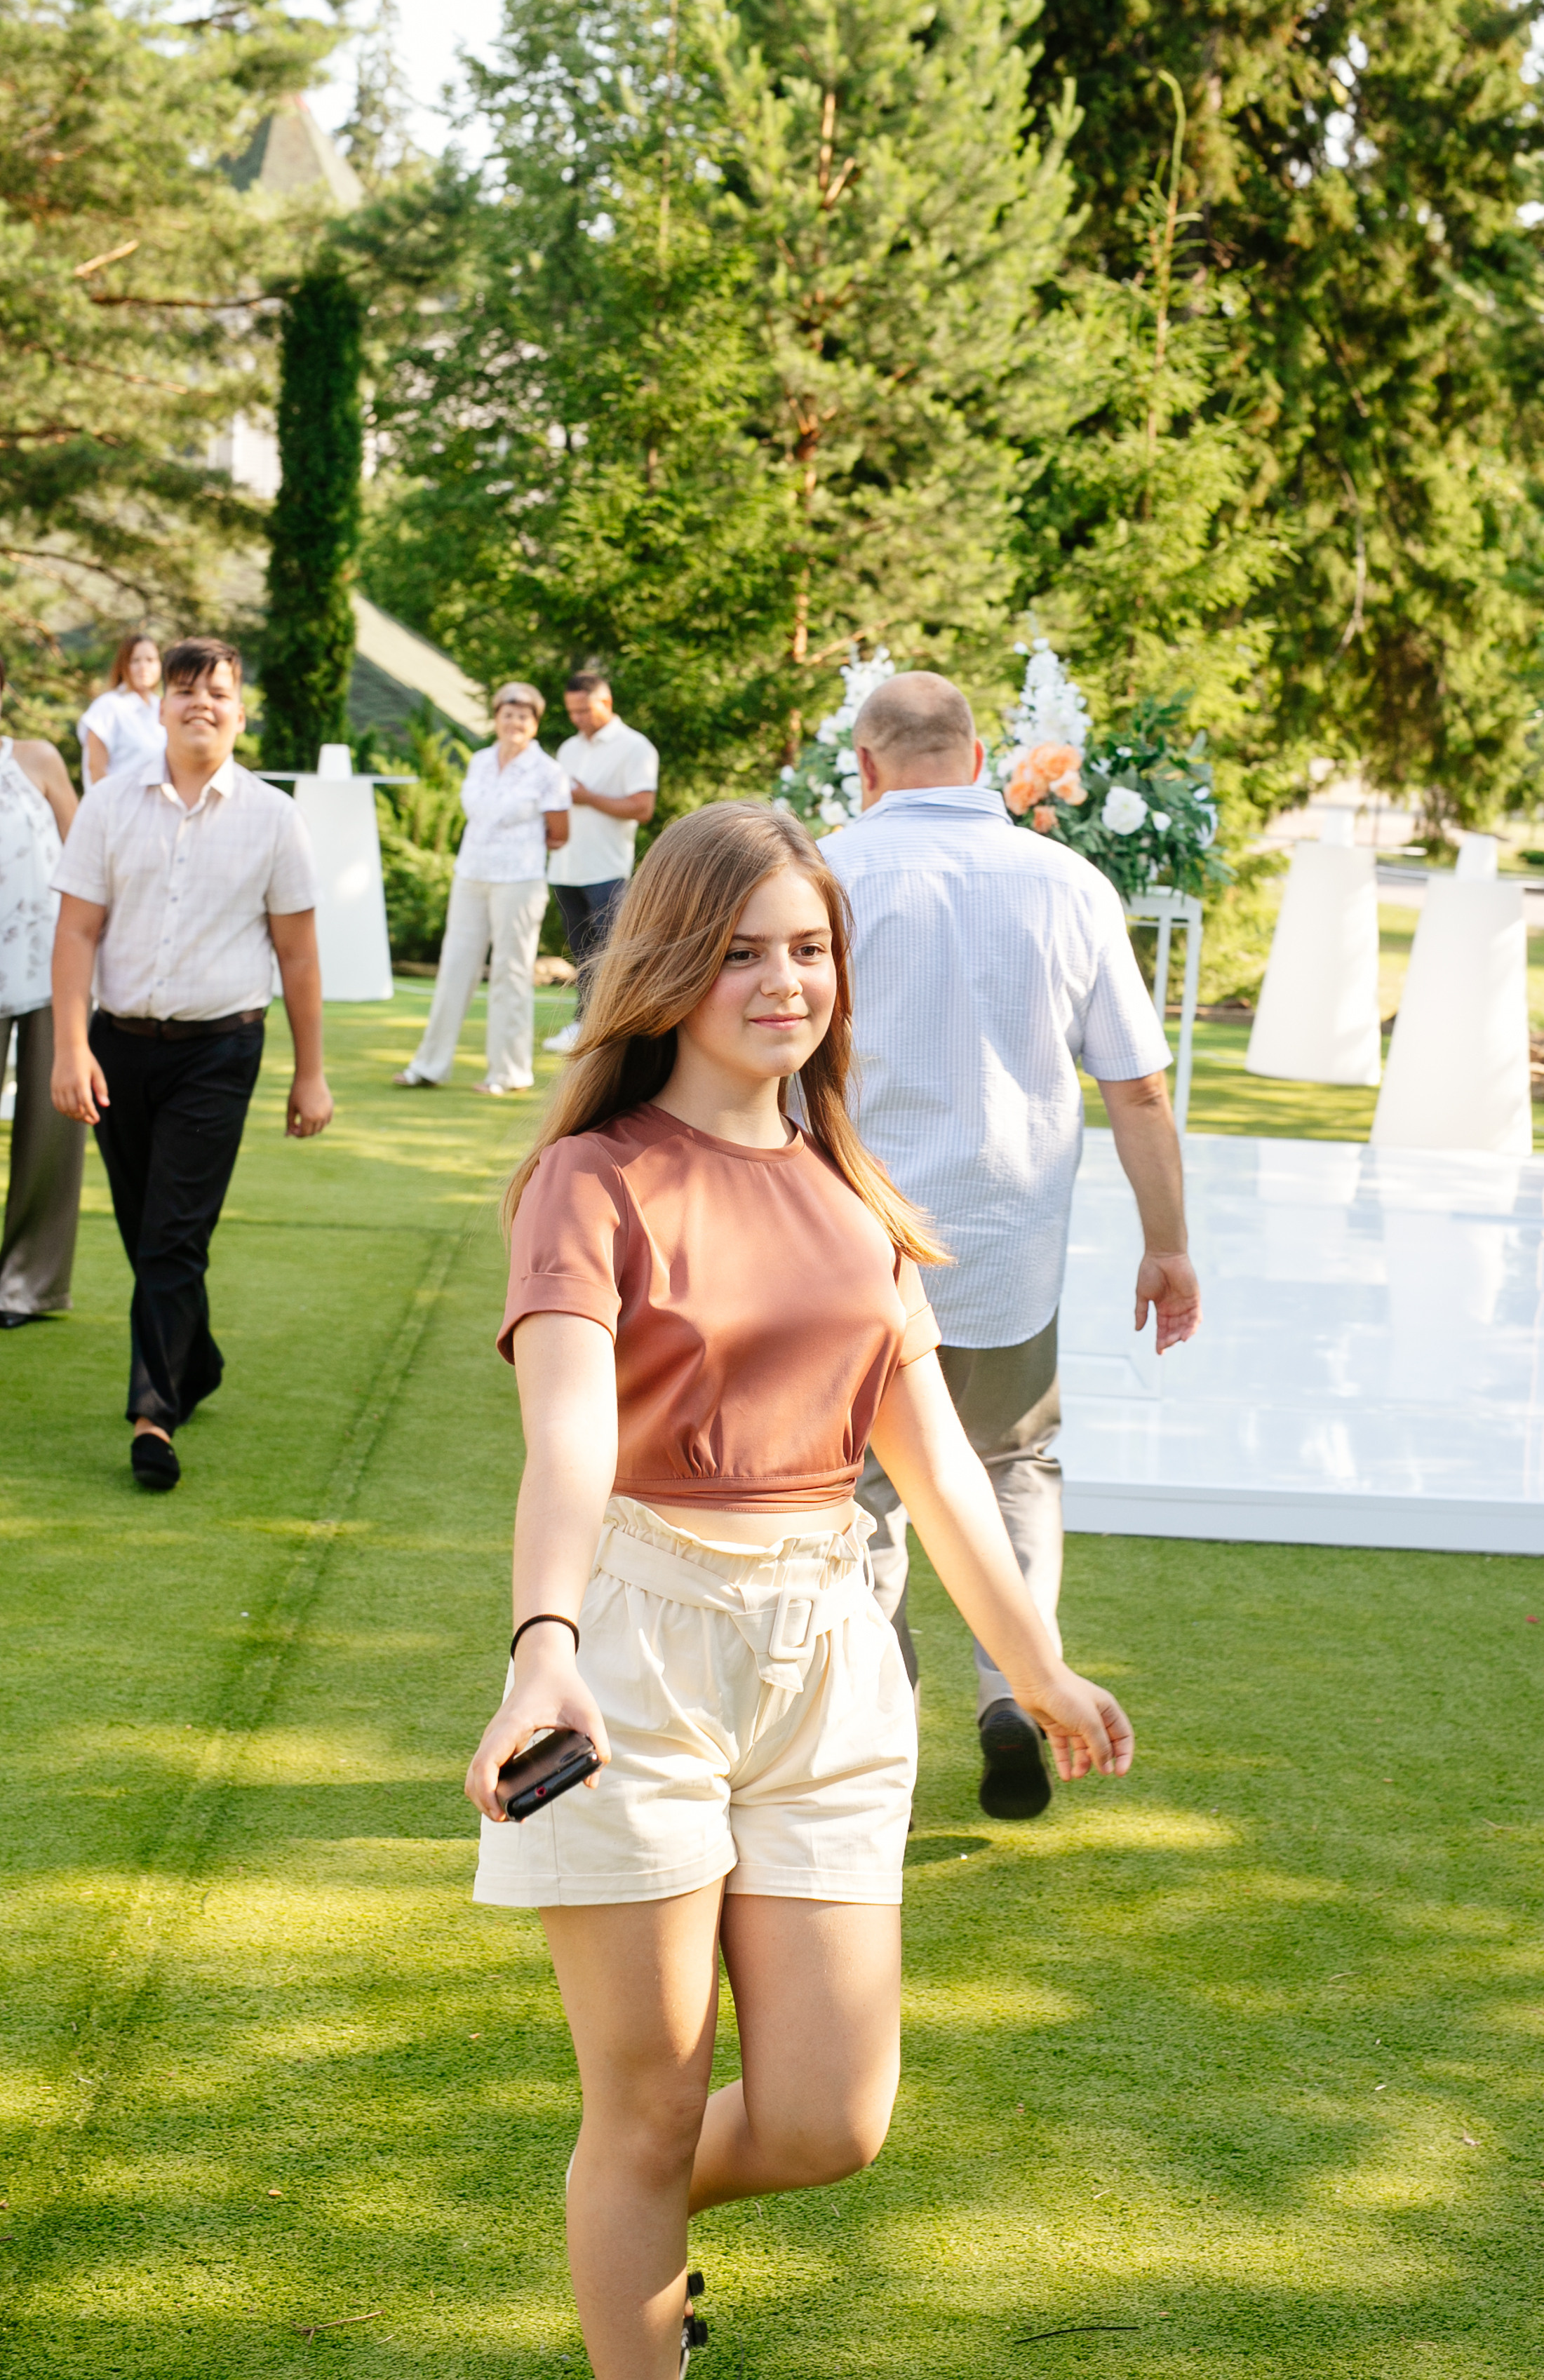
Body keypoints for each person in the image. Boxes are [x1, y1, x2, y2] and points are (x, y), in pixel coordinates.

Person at [465, 799, 1135, 2380]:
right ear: (668, 967)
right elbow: (567, 1438)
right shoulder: (590, 1180)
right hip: (635, 1649)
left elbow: (937, 1463)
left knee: (830, 2117)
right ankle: (635, 2280)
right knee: (643, 2108)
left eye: (810, 949)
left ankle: (622, 2218)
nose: (785, 982)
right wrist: (543, 1646)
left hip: (832, 1651)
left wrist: (1034, 1663)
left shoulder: (852, 1188)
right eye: (742, 953)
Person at [820, 671, 1202, 1822]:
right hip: (1007, 1247)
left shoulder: (824, 876)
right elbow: (1137, 1088)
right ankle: (1012, 1690)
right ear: (981, 758)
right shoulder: (1068, 882)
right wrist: (1168, 1247)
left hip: (855, 1242)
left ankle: (882, 1726)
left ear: (866, 765)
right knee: (1013, 1463)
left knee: (864, 1491)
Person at [49, 636, 333, 1491]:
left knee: (173, 1233)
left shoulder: (274, 816)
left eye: (217, 691)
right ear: (160, 707)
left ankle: (154, 1415)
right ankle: (194, 1358)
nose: (200, 703)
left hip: (219, 1049)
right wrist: (70, 1045)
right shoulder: (108, 804)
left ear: (240, 712)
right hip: (117, 1047)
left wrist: (311, 1072)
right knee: (147, 1230)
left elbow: (298, 953)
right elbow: (78, 931)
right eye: (184, 689)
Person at [393, 682, 572, 1096]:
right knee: (455, 968)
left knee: (512, 973)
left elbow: (560, 833)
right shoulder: (480, 761)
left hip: (519, 881)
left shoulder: (548, 772)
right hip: (470, 875)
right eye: (508, 715)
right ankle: (429, 1066)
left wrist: (518, 850)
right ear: (496, 719)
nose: (515, 723)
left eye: (523, 716)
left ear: (535, 723)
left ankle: (510, 1073)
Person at [0, 671, 84, 1327]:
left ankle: (26, 1287)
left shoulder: (38, 759)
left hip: (50, 973)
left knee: (50, 1132)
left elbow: (87, 858)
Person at [542, 665, 658, 1053]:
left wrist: (588, 796)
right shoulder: (569, 748)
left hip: (607, 867)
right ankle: (584, 1024)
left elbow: (642, 808)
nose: (577, 719)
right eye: (571, 712)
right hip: (565, 866)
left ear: (606, 702)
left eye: (584, 711)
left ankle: (613, 1029)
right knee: (580, 950)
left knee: (609, 952)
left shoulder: (636, 747)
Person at [78, 633, 164, 786]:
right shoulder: (108, 706)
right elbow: (96, 769)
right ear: (124, 665)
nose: (144, 667)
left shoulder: (162, 707)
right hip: (117, 800)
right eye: (135, 660)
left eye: (150, 660)